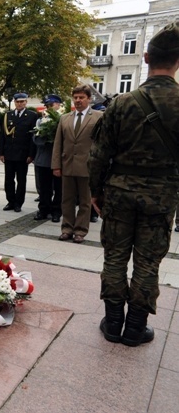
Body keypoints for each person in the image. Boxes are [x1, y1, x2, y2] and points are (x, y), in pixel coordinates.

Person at [88, 23, 179, 347]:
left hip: (119, 193)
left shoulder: (123, 102)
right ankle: (135, 328)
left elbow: (98, 155)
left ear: (145, 57)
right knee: (147, 262)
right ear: (177, 61)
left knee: (115, 257)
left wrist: (95, 192)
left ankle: (113, 324)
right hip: (161, 197)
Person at [52, 85, 103, 243]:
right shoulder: (65, 118)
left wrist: (100, 166)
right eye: (76, 97)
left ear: (89, 99)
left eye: (82, 97)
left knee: (85, 201)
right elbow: (58, 143)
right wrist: (56, 165)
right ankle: (66, 228)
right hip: (68, 165)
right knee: (66, 199)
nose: (78, 100)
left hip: (87, 167)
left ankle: (80, 231)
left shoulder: (98, 117)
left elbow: (101, 143)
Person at [0, 92, 37, 212]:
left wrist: (31, 154)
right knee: (8, 179)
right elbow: (2, 136)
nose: (19, 104)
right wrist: (1, 152)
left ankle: (18, 203)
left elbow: (33, 137)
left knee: (21, 180)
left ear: (26, 102)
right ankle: (10, 201)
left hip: (23, 154)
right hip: (9, 153)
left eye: (22, 101)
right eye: (17, 102)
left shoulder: (32, 115)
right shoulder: (7, 115)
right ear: (14, 102)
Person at [32, 94, 63, 222]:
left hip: (58, 160)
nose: (49, 108)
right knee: (44, 188)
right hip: (43, 159)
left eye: (51, 105)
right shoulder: (40, 120)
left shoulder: (63, 119)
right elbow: (35, 138)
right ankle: (44, 209)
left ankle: (56, 211)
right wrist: (46, 139)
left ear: (58, 105)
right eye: (47, 106)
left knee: (59, 188)